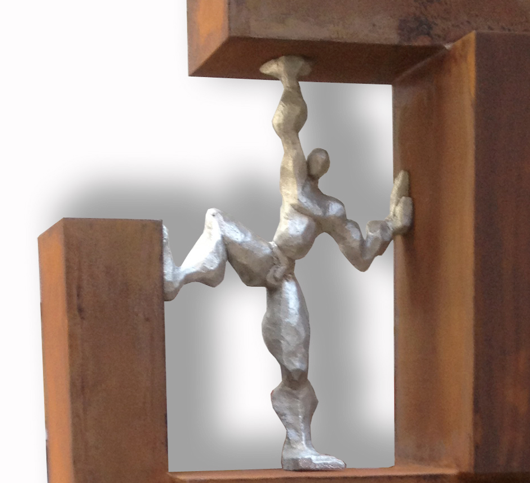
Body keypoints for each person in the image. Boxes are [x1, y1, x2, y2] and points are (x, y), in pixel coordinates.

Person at [163, 56, 412, 471]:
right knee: (218, 221)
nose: (318, 159)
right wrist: (289, 81)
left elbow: (362, 255)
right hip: (268, 257)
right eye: (315, 156)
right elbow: (288, 129)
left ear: (325, 169)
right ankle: (178, 277)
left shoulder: (330, 210)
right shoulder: (294, 184)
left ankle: (298, 446)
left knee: (296, 368)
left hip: (284, 277)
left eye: (323, 159)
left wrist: (392, 224)